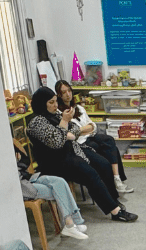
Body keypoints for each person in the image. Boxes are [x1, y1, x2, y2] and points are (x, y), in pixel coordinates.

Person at [26, 87, 139, 223]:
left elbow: (74, 130)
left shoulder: (55, 115)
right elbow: (56, 142)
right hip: (54, 162)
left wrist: (66, 130)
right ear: (41, 103)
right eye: (51, 102)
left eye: (56, 101)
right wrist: (64, 125)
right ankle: (115, 211)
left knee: (103, 164)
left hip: (70, 152)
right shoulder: (36, 123)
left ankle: (113, 200)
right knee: (89, 173)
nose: (55, 105)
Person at [56, 79, 133, 195]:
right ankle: (112, 186)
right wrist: (84, 129)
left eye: (69, 91)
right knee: (105, 150)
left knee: (109, 140)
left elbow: (93, 126)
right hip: (79, 143)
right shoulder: (60, 113)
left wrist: (81, 130)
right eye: (64, 92)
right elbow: (71, 134)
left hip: (89, 136)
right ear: (59, 95)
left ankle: (117, 179)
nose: (68, 94)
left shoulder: (79, 108)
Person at [16, 147, 89, 240]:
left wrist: (18, 160)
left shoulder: (11, 144)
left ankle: (76, 221)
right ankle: (70, 224)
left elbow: (26, 160)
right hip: (21, 186)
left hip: (28, 178)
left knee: (60, 181)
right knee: (57, 190)